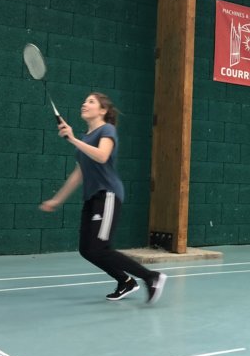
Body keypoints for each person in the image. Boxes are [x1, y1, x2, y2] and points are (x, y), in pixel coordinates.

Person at [39, 93, 167, 304]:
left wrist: (72, 139)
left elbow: (102, 156)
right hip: (92, 198)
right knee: (87, 250)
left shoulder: (107, 130)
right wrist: (57, 199)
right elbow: (78, 174)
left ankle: (150, 276)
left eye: (91, 101)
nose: (84, 103)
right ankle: (125, 281)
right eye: (84, 100)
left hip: (107, 195)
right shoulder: (86, 137)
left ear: (103, 111)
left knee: (100, 248)